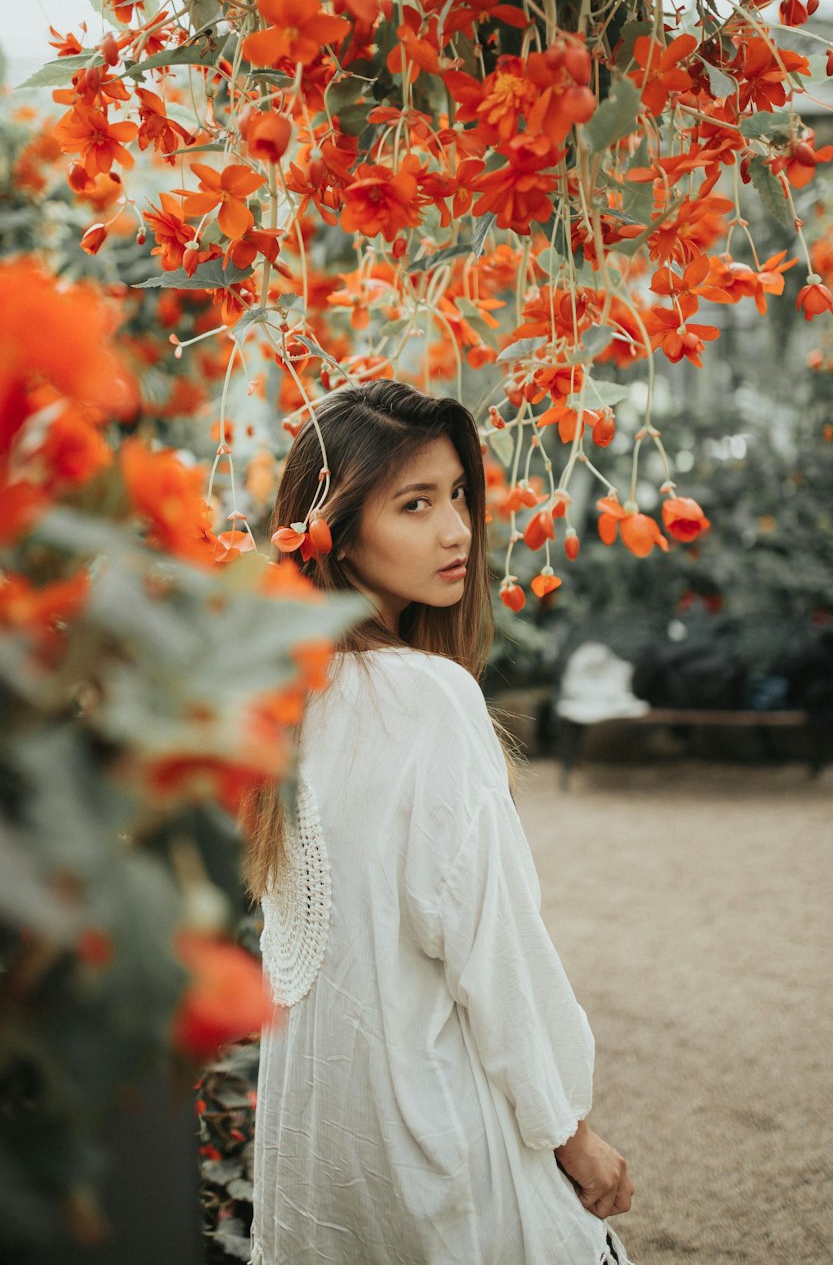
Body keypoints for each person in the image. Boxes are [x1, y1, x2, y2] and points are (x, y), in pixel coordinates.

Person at [244, 380, 635, 1265]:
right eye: (415, 504)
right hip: (431, 1129)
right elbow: (493, 946)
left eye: (458, 494)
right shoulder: (427, 696)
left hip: (320, 1141)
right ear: (333, 527)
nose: (457, 529)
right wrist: (565, 1128)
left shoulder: (280, 692)